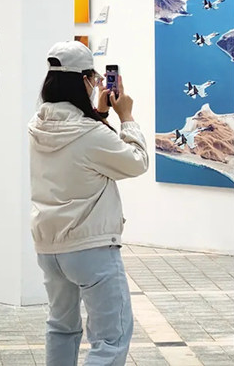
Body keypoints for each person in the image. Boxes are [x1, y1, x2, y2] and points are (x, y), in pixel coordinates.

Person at [28, 41, 149, 366]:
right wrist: (127, 118)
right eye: (94, 78)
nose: (97, 83)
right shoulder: (90, 133)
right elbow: (136, 162)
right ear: (83, 80)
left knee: (61, 328)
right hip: (90, 248)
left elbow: (85, 147)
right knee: (111, 339)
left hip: (49, 248)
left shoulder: (38, 125)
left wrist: (100, 113)